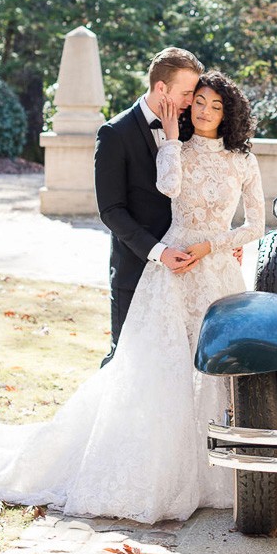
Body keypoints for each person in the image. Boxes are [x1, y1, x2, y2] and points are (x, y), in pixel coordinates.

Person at [0, 71, 265, 524]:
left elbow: (255, 225)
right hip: (168, 269)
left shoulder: (244, 159)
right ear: (172, 94)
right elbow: (160, 192)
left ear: (230, 113)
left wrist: (216, 244)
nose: (201, 110)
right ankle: (155, 473)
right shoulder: (172, 146)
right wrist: (169, 140)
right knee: (157, 369)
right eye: (196, 100)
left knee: (217, 372)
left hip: (218, 271)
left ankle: (216, 474)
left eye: (213, 105)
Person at [94, 46, 203, 357]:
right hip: (136, 269)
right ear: (160, 88)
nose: (191, 101)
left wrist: (220, 237)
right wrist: (160, 252)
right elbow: (111, 211)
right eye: (186, 93)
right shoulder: (115, 133)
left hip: (185, 272)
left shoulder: (189, 127)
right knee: (126, 362)